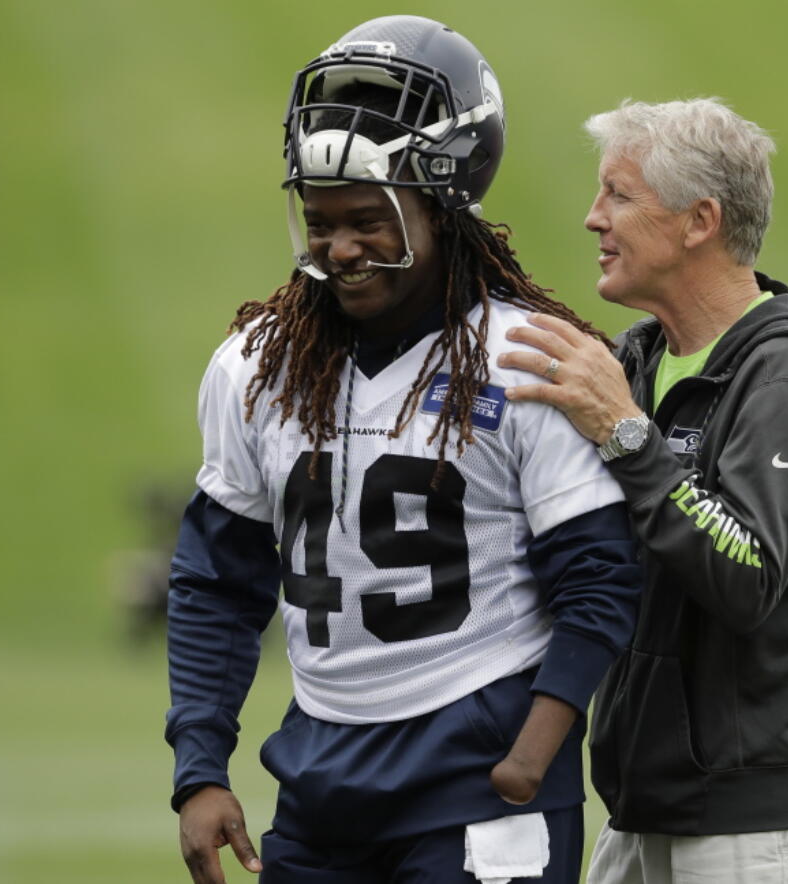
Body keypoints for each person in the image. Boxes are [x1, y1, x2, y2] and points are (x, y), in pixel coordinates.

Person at [164, 17, 640, 884]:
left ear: (444, 207)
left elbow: (601, 579)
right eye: (319, 220)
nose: (340, 248)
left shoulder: (531, 359)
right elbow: (215, 582)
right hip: (318, 784)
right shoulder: (257, 365)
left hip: (478, 778)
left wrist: (529, 756)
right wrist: (199, 769)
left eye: (369, 221)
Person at [499, 98, 788, 883]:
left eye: (619, 195)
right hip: (648, 801)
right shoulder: (635, 362)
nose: (592, 218)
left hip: (758, 821)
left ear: (699, 220)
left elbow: (748, 574)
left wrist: (627, 435)